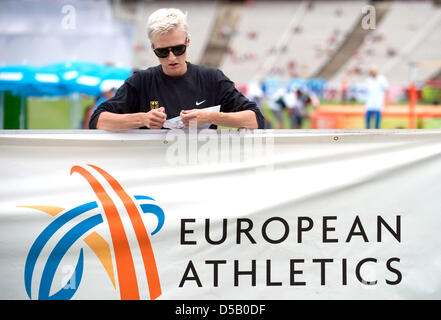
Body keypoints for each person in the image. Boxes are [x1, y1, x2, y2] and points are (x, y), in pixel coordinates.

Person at [89, 8, 264, 130]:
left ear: (187, 42)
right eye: (162, 52)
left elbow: (256, 119)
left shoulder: (212, 78)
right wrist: (142, 118)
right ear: (153, 48)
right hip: (155, 173)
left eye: (178, 49)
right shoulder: (141, 81)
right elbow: (97, 120)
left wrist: (210, 117)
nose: (172, 57)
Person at [364, 65, 388, 129]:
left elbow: (386, 89)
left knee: (377, 119)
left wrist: (386, 101)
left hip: (378, 103)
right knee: (367, 119)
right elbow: (366, 91)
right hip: (369, 103)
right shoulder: (368, 80)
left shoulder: (382, 79)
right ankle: (367, 132)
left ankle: (377, 132)